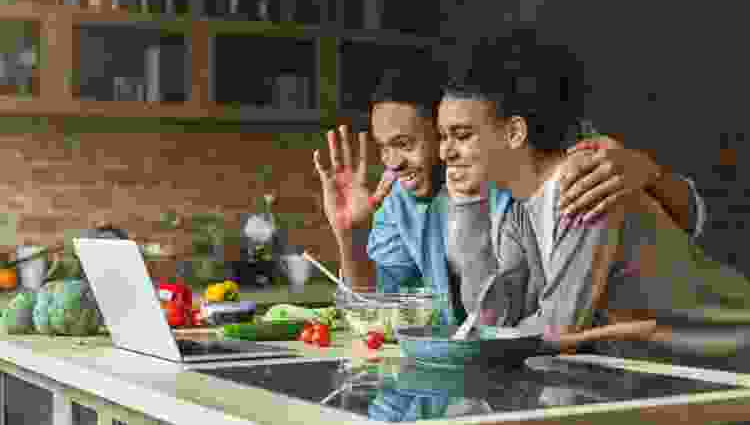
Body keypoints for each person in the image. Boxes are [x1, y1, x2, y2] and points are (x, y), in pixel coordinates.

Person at [313, 39, 706, 325]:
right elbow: (375, 313)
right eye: (384, 148)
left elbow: (681, 221)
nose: (393, 164)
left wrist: (650, 172)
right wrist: (350, 237)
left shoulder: (548, 166)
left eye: (406, 143)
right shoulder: (398, 198)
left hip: (693, 360)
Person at [438, 39, 750, 353]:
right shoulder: (522, 207)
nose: (445, 152)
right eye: (442, 137)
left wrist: (476, 343)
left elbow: (558, 328)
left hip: (731, 359)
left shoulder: (582, 182)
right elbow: (495, 317)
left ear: (515, 133)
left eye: (462, 136)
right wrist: (467, 206)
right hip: (675, 371)